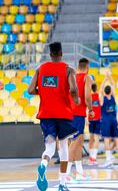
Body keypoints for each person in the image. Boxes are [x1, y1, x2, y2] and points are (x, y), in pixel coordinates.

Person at [28, 42, 80, 191]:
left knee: (50, 147)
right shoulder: (68, 69)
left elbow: (30, 89)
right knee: (63, 148)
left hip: (46, 115)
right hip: (63, 114)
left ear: (50, 54)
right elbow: (74, 88)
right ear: (61, 53)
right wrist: (76, 99)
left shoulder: (40, 69)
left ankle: (43, 165)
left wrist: (44, 92)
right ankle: (62, 184)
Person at [66, 58, 94, 181]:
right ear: (87, 67)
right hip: (78, 113)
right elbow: (88, 96)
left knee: (78, 143)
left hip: (67, 113)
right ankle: (65, 173)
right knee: (74, 143)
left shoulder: (70, 77)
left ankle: (79, 172)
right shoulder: (87, 78)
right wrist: (91, 109)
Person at [99, 72, 118, 168]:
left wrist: (105, 78)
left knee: (106, 139)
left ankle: (109, 159)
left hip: (106, 121)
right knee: (117, 139)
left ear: (105, 92)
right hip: (114, 120)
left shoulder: (102, 98)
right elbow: (113, 85)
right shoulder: (113, 97)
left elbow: (100, 90)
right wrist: (109, 77)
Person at [88, 83, 101, 165]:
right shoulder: (99, 96)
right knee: (96, 138)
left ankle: (90, 156)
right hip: (97, 119)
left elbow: (86, 108)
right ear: (96, 89)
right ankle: (94, 157)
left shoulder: (89, 97)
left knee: (91, 138)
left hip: (90, 119)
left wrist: (86, 119)